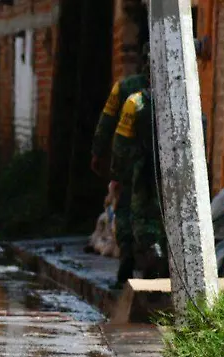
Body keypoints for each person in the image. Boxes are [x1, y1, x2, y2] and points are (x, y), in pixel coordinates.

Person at [91, 52, 150, 286]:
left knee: (125, 212)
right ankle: (153, 266)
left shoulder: (125, 88)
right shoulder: (178, 87)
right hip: (160, 169)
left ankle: (127, 262)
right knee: (154, 216)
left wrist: (98, 152)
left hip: (130, 166)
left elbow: (107, 121)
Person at [110, 85, 168, 280]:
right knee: (162, 219)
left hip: (140, 173)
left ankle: (142, 259)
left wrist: (117, 174)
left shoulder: (135, 101)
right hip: (171, 172)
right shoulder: (182, 96)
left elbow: (120, 143)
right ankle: (159, 263)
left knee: (137, 218)